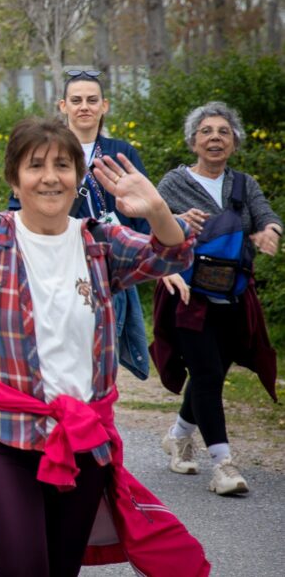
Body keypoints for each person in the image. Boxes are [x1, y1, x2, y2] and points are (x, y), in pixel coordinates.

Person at [0, 117, 207, 576]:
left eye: (62, 165)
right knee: (23, 566)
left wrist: (157, 209)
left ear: (77, 176)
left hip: (82, 438)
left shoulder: (100, 242)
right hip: (2, 434)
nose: (49, 176)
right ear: (14, 178)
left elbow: (170, 255)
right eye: (34, 165)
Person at [152, 101, 281, 496]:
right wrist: (175, 224)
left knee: (211, 375)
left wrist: (270, 231)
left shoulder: (243, 184)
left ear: (235, 142)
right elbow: (151, 228)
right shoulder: (173, 184)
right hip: (188, 295)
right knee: (207, 374)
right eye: (206, 131)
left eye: (223, 132)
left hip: (234, 297)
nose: (215, 138)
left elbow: (265, 214)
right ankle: (223, 464)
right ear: (193, 141)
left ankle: (178, 436)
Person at [12, 69, 154, 381]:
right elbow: (18, 204)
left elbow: (144, 212)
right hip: (55, 261)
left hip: (107, 266)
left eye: (92, 100)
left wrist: (156, 256)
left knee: (101, 357)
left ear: (105, 106)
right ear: (63, 105)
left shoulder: (121, 152)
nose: (84, 107)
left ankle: (94, 419)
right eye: (76, 100)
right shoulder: (48, 151)